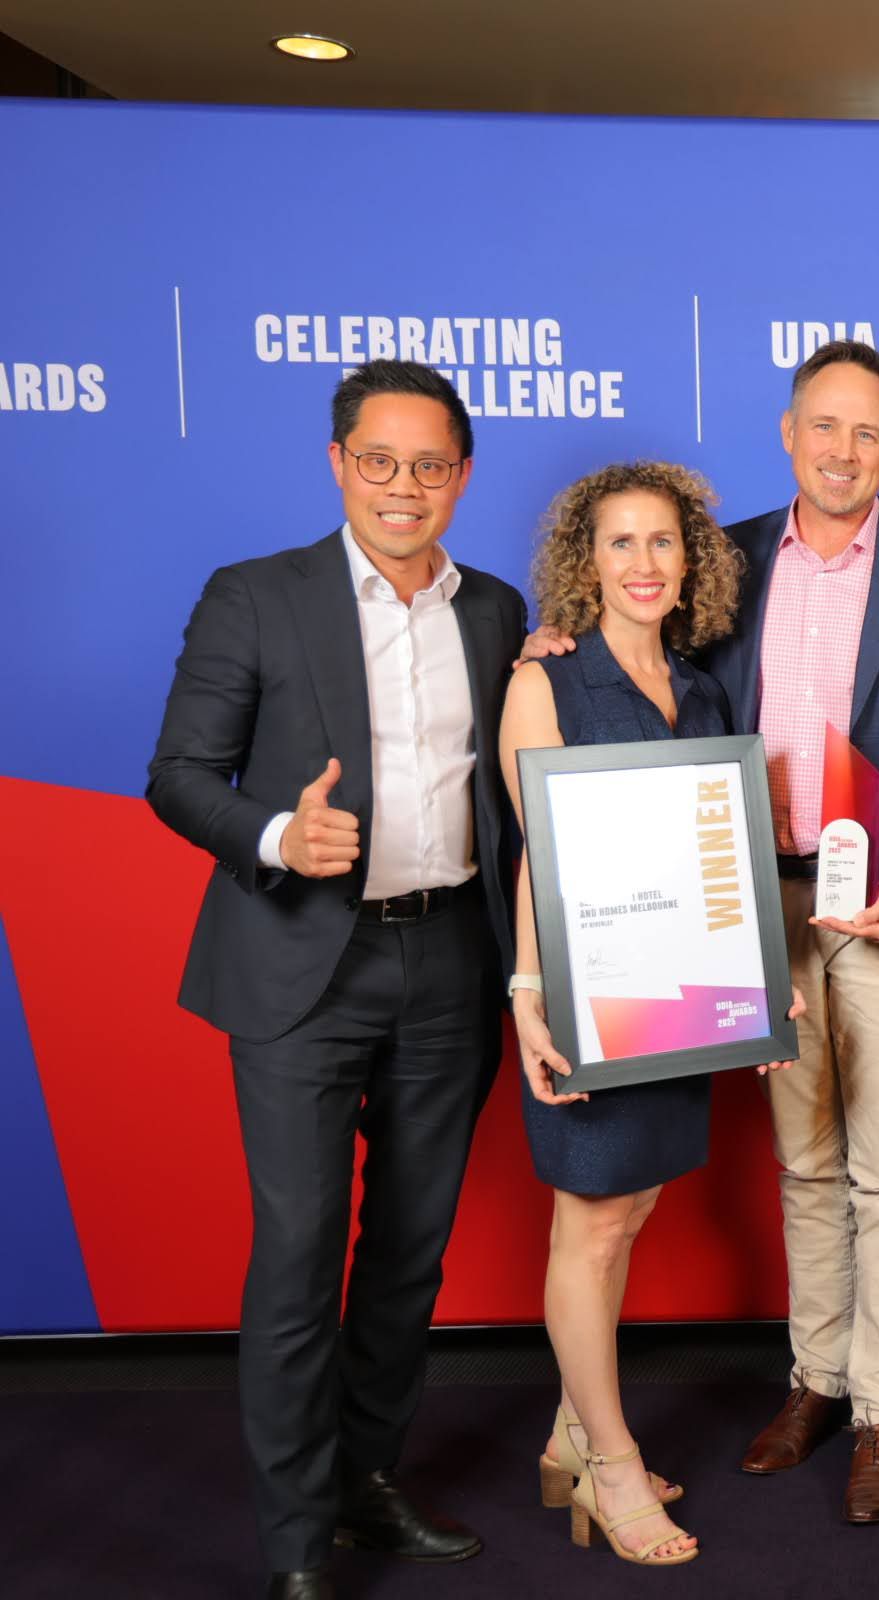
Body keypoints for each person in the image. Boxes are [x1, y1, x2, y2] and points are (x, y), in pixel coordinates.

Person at [531, 341, 879, 1522]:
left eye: (870, 434)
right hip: (755, 906)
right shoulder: (721, 560)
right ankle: (816, 1380)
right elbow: (643, 682)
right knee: (804, 1163)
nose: (845, 451)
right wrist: (552, 646)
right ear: (789, 433)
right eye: (825, 427)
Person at [147, 361, 525, 1600]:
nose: (404, 488)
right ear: (337, 464)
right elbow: (180, 773)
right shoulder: (257, 596)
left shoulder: (498, 612)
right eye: (380, 461)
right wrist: (273, 836)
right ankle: (297, 1540)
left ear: (461, 477)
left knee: (410, 1253)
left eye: (430, 466)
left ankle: (367, 1484)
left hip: (451, 960)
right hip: (306, 962)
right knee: (301, 1249)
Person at [499, 463, 804, 1567]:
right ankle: (611, 1464)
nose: (643, 563)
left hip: (674, 1004)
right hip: (585, 997)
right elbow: (539, 851)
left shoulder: (704, 691)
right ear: (588, 562)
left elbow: (716, 856)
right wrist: (530, 1000)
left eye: (663, 543)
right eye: (619, 544)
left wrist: (765, 976)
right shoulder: (547, 682)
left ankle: (569, 1431)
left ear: (694, 563)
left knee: (627, 1216)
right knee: (589, 1223)